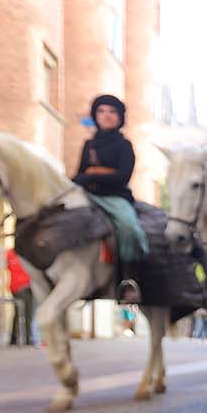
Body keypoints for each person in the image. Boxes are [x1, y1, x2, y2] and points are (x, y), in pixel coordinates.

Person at [73, 94, 145, 304]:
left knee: (130, 229)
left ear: (120, 117)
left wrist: (93, 174)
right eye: (101, 111)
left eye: (112, 112)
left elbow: (122, 176)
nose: (107, 116)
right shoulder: (88, 144)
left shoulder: (124, 145)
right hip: (87, 195)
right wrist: (91, 175)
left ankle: (129, 281)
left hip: (114, 197)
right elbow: (79, 174)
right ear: (95, 116)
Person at [6, 246, 37, 346]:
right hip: (25, 286)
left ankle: (14, 339)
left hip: (15, 286)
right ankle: (28, 339)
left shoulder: (10, 253)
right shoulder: (26, 252)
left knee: (18, 313)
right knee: (28, 314)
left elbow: (9, 267)